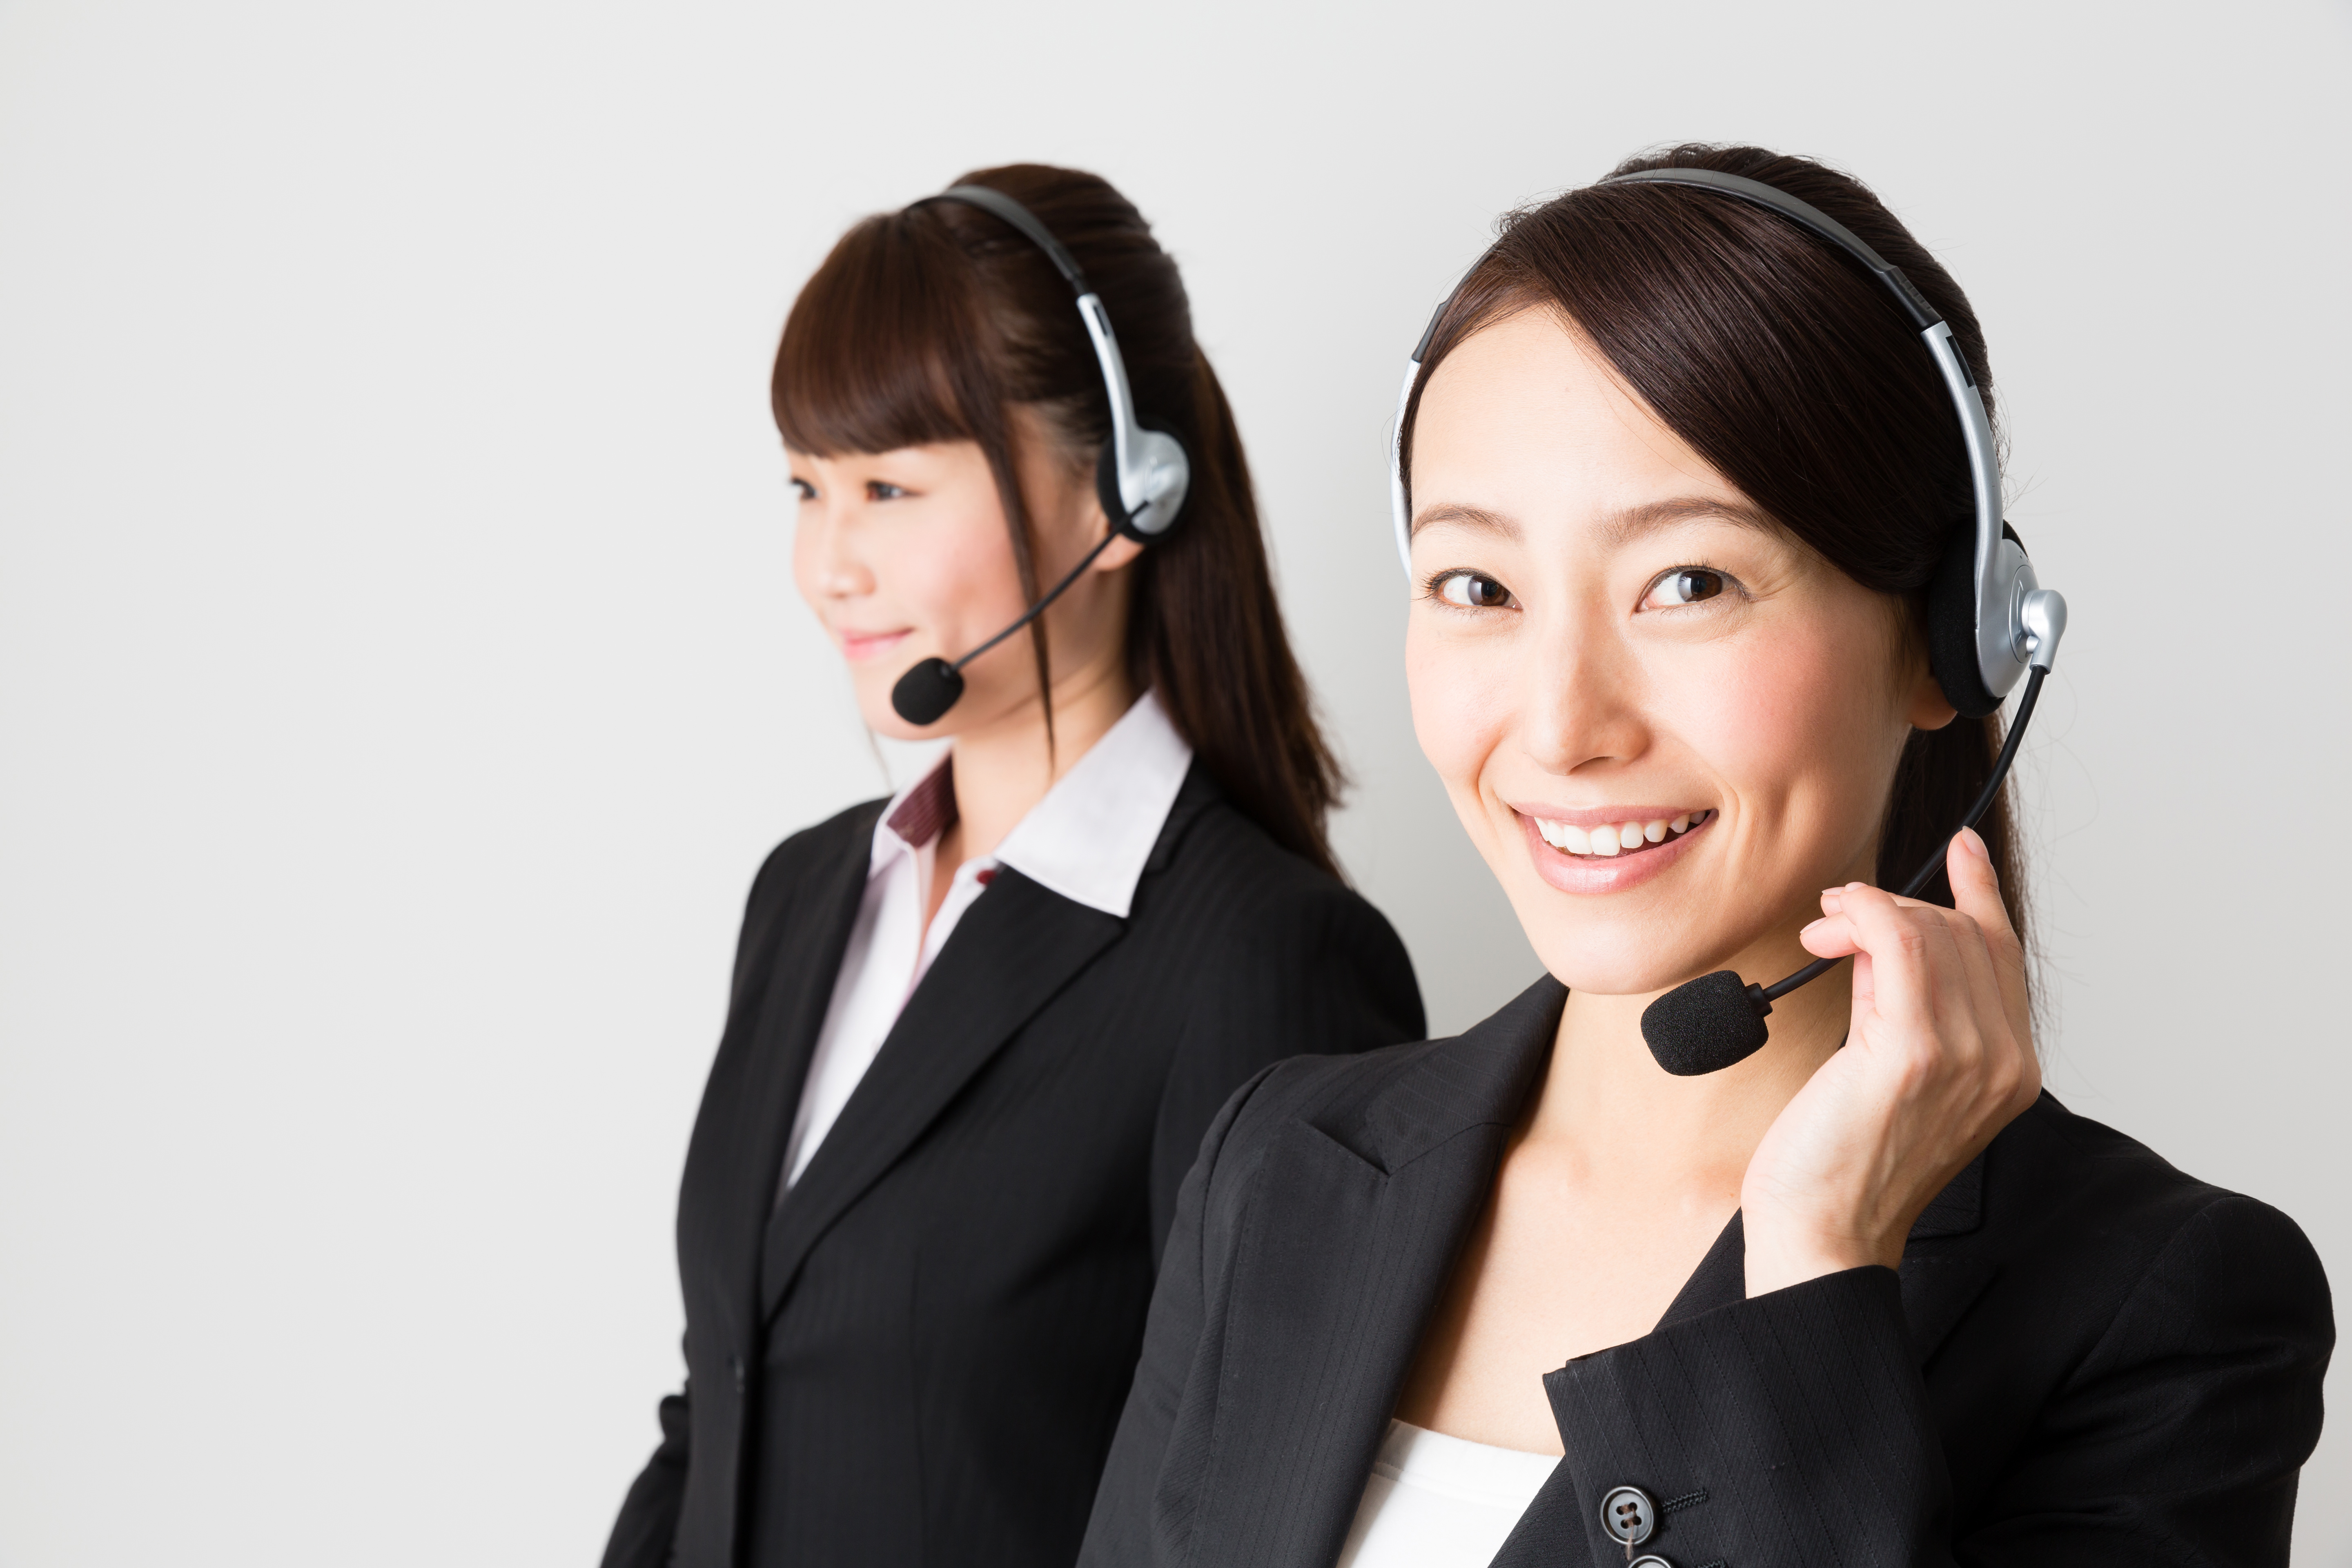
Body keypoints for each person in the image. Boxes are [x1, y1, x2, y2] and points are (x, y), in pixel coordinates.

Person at [1080, 145, 2332, 1568]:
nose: (1561, 724)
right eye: (1477, 586)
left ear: (1947, 645)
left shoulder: (2161, 1317)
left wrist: (1815, 1274)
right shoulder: (1278, 1168)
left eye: (1690, 583)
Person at [601, 164, 1426, 1568]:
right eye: (808, 487)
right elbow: (725, 1405)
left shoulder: (1264, 959)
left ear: (1124, 496)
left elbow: (1244, 1512)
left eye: (890, 487)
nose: (828, 565)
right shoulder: (807, 896)